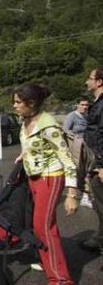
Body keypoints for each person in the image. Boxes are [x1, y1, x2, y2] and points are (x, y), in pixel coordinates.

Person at [13, 82, 79, 285]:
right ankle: (47, 261)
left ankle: (60, 279)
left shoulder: (49, 126)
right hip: (34, 177)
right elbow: (32, 144)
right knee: (42, 225)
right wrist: (22, 156)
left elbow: (67, 160)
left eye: (17, 102)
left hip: (50, 178)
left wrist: (71, 195)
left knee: (43, 227)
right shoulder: (25, 121)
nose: (14, 106)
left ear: (31, 103)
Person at [80, 66, 103, 255]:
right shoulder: (96, 103)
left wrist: (102, 165)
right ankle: (99, 239)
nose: (87, 81)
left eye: (90, 78)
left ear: (99, 82)